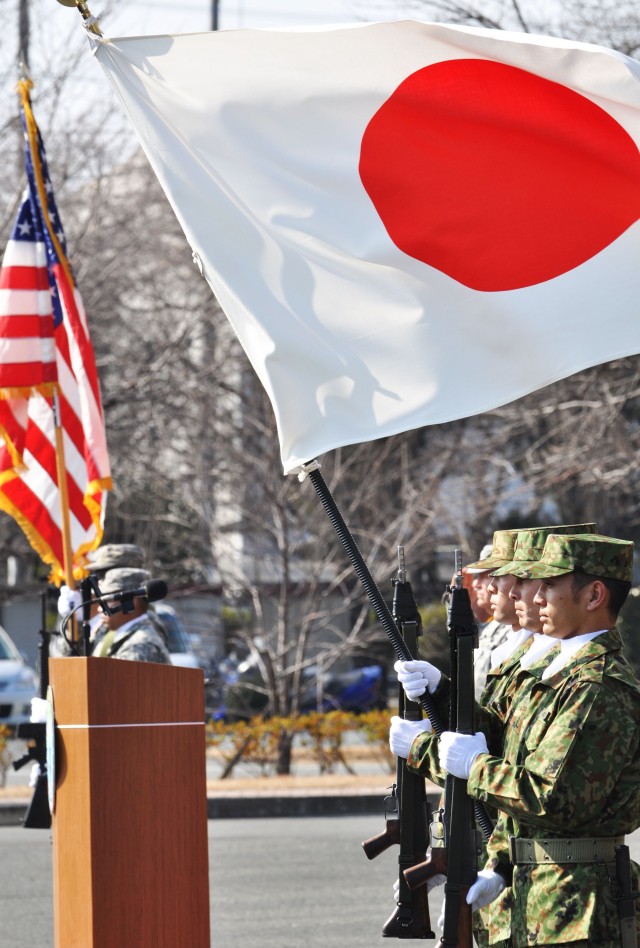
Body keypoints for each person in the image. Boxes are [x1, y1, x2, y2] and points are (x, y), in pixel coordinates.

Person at [436, 533, 640, 947]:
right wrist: (439, 696)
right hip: (536, 897)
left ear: (594, 595)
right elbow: (505, 743)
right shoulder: (561, 674)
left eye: (549, 585)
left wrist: (473, 765)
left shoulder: (597, 687)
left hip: (576, 909)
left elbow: (551, 798)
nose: (531, 595)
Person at [89, 567, 171, 664]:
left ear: (132, 602)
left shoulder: (141, 644)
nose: (99, 609)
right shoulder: (116, 632)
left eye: (108, 600)